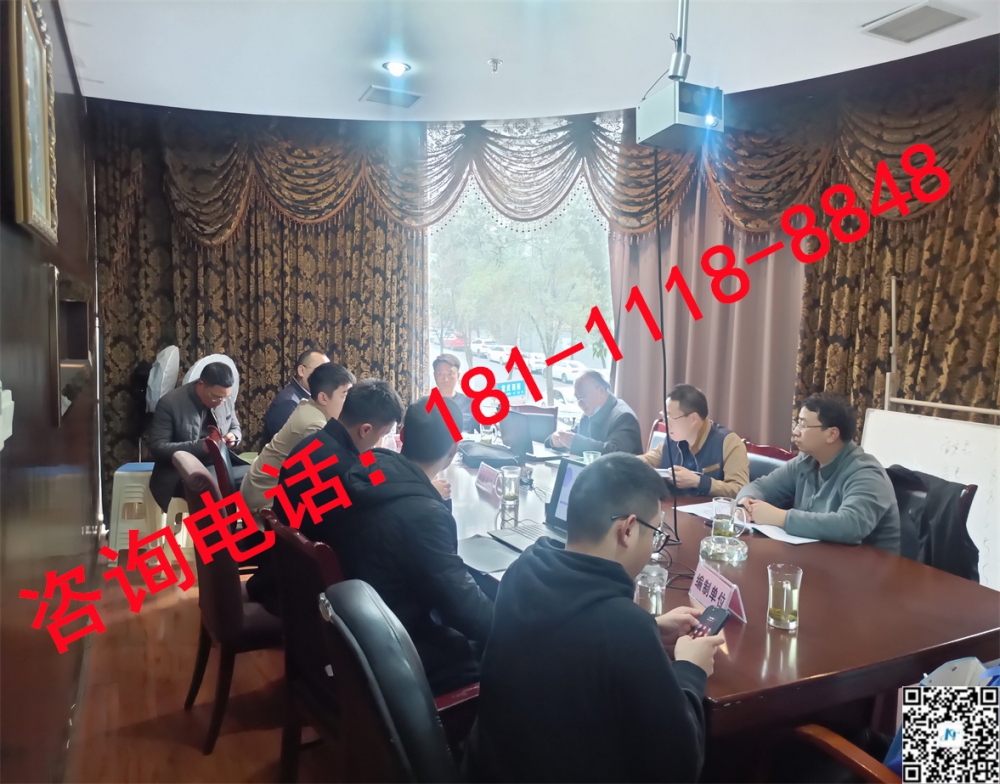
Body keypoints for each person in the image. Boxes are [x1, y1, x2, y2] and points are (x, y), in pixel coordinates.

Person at [464, 453, 724, 783]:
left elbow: (568, 643)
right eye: (655, 534)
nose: (653, 547)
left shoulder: (522, 571)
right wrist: (690, 668)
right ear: (628, 529)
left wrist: (651, 629)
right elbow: (679, 767)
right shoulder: (623, 629)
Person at [317, 396, 494, 695]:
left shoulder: (366, 469)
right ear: (454, 449)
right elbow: (463, 609)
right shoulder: (423, 515)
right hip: (397, 648)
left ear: (401, 436)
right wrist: (517, 631)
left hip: (361, 627)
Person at [245, 378, 404, 612]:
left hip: (280, 572)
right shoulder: (346, 473)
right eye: (384, 434)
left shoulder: (315, 442)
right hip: (306, 596)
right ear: (365, 430)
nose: (380, 443)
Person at [736, 392, 900, 552]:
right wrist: (746, 502)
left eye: (803, 425)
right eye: (797, 423)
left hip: (866, 565)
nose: (796, 431)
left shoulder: (866, 473)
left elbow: (850, 525)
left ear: (831, 434)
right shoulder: (806, 460)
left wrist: (781, 518)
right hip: (818, 557)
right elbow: (761, 486)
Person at [239, 363, 355, 512]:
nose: (350, 402)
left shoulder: (310, 406)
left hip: (262, 484)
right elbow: (327, 472)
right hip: (265, 499)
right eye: (345, 395)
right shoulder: (314, 425)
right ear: (323, 398)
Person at [147, 361, 248, 512]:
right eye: (216, 397)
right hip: (183, 473)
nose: (221, 403)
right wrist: (201, 446)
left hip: (221, 464)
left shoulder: (224, 399)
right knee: (210, 491)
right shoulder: (170, 403)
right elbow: (157, 446)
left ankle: (255, 526)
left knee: (261, 476)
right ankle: (220, 528)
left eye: (225, 398)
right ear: (201, 384)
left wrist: (233, 436)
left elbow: (235, 427)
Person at [641, 383, 749, 498]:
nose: (666, 423)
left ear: (693, 419)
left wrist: (698, 482)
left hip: (708, 508)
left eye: (669, 418)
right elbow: (646, 460)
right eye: (664, 416)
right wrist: (628, 463)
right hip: (673, 507)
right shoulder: (673, 439)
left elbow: (740, 489)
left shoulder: (728, 442)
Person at [544, 370, 642, 456]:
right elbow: (573, 435)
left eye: (582, 397)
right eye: (577, 398)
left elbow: (614, 453)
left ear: (601, 391)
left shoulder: (624, 417)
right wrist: (555, 440)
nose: (580, 403)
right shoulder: (590, 412)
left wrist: (574, 442)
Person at [261, 349, 330, 444]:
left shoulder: (311, 398)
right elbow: (296, 447)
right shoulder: (287, 403)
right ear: (301, 371)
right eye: (320, 371)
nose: (326, 378)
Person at [432, 352, 478, 432]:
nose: (445, 379)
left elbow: (484, 430)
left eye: (450, 374)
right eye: (440, 374)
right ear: (435, 376)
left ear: (458, 376)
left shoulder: (469, 403)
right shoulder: (424, 405)